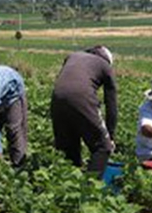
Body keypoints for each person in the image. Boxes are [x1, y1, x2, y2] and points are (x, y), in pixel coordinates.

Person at [50, 45, 117, 173]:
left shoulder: (72, 56)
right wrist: (110, 136)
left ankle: (68, 184)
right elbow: (111, 104)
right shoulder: (105, 65)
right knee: (102, 147)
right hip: (81, 97)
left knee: (68, 149)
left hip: (57, 98)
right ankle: (89, 187)